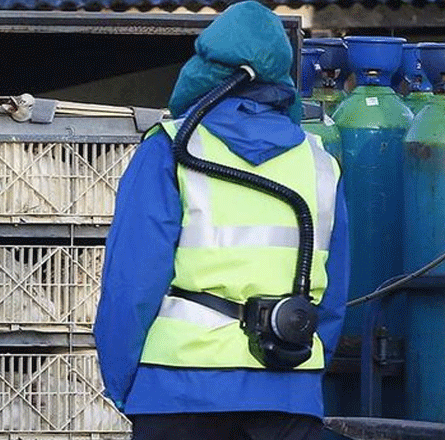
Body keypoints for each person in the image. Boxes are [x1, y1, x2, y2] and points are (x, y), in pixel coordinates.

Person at [93, 2, 349, 439]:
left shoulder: (170, 150)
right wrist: (299, 380)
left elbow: (132, 283)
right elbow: (333, 300)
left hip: (178, 393)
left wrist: (124, 385)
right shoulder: (320, 163)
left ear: (210, 69)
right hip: (287, 397)